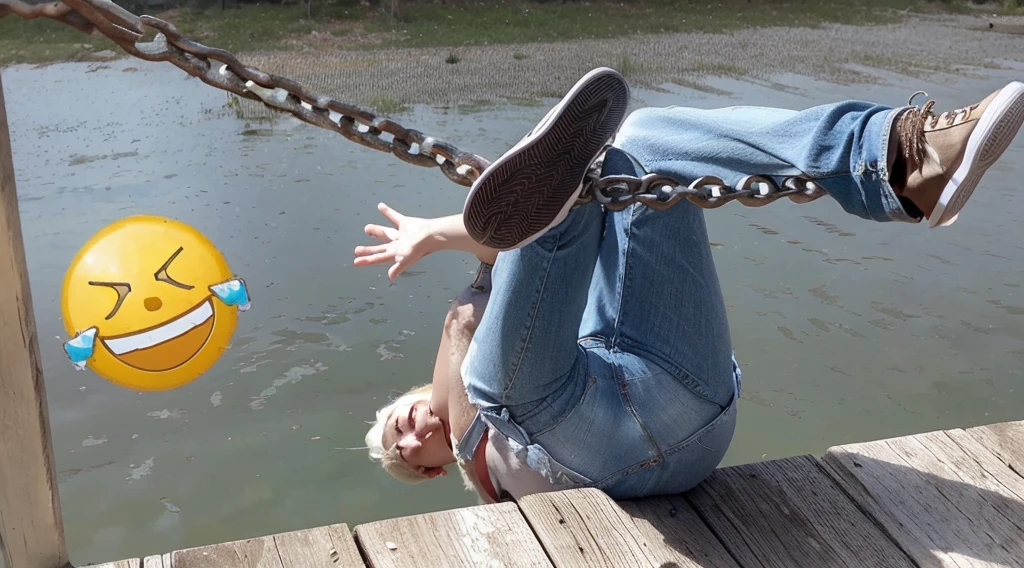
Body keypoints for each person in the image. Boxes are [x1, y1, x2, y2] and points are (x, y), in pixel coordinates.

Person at [356, 67, 1024, 503]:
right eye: (408, 458)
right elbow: (481, 308)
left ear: (402, 403)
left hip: (677, 389)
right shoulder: (486, 473)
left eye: (395, 427)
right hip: (593, 445)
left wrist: (434, 234)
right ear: (432, 471)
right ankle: (555, 181)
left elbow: (501, 249)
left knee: (642, 148)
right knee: (495, 376)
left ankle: (894, 159)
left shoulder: (471, 351)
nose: (411, 438)